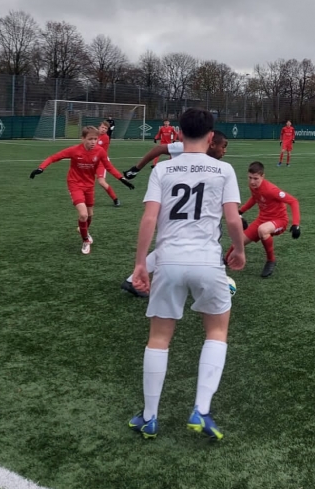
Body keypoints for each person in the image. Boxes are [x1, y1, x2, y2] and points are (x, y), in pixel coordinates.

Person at [128, 108, 246, 441]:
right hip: (207, 262)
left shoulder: (163, 169)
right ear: (211, 137)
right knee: (217, 331)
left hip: (168, 261)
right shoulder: (224, 169)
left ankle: (149, 417)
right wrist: (239, 250)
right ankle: (201, 410)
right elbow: (233, 219)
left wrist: (140, 263)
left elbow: (149, 219)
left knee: (159, 338)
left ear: (179, 134)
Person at [120, 130, 230, 297]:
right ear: (211, 143)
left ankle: (134, 280)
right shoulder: (187, 148)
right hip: (177, 204)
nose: (225, 151)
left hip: (190, 205)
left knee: (176, 243)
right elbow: (159, 149)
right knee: (179, 242)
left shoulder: (215, 166)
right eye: (224, 146)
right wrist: (136, 168)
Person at [29, 126, 134, 253]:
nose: (93, 142)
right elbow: (53, 157)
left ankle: (83, 230)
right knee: (83, 214)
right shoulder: (74, 150)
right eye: (90, 139)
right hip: (75, 184)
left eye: (95, 139)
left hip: (89, 185)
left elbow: (109, 167)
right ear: (83, 139)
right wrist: (41, 168)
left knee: (90, 214)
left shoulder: (100, 151)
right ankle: (85, 240)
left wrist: (122, 179)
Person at [227, 161, 301, 279]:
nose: (252, 181)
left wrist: (296, 224)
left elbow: (293, 201)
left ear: (263, 176)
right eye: (250, 178)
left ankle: (271, 260)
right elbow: (254, 198)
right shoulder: (253, 186)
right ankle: (225, 260)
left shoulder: (271, 190)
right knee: (238, 243)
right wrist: (241, 211)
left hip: (279, 220)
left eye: (255, 178)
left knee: (263, 230)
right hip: (262, 220)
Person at [95, 119, 121, 207]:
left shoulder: (105, 138)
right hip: (92, 161)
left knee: (101, 182)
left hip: (101, 162)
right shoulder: (94, 134)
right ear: (99, 127)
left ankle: (115, 199)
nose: (103, 129)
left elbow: (97, 150)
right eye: (102, 127)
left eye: (105, 128)